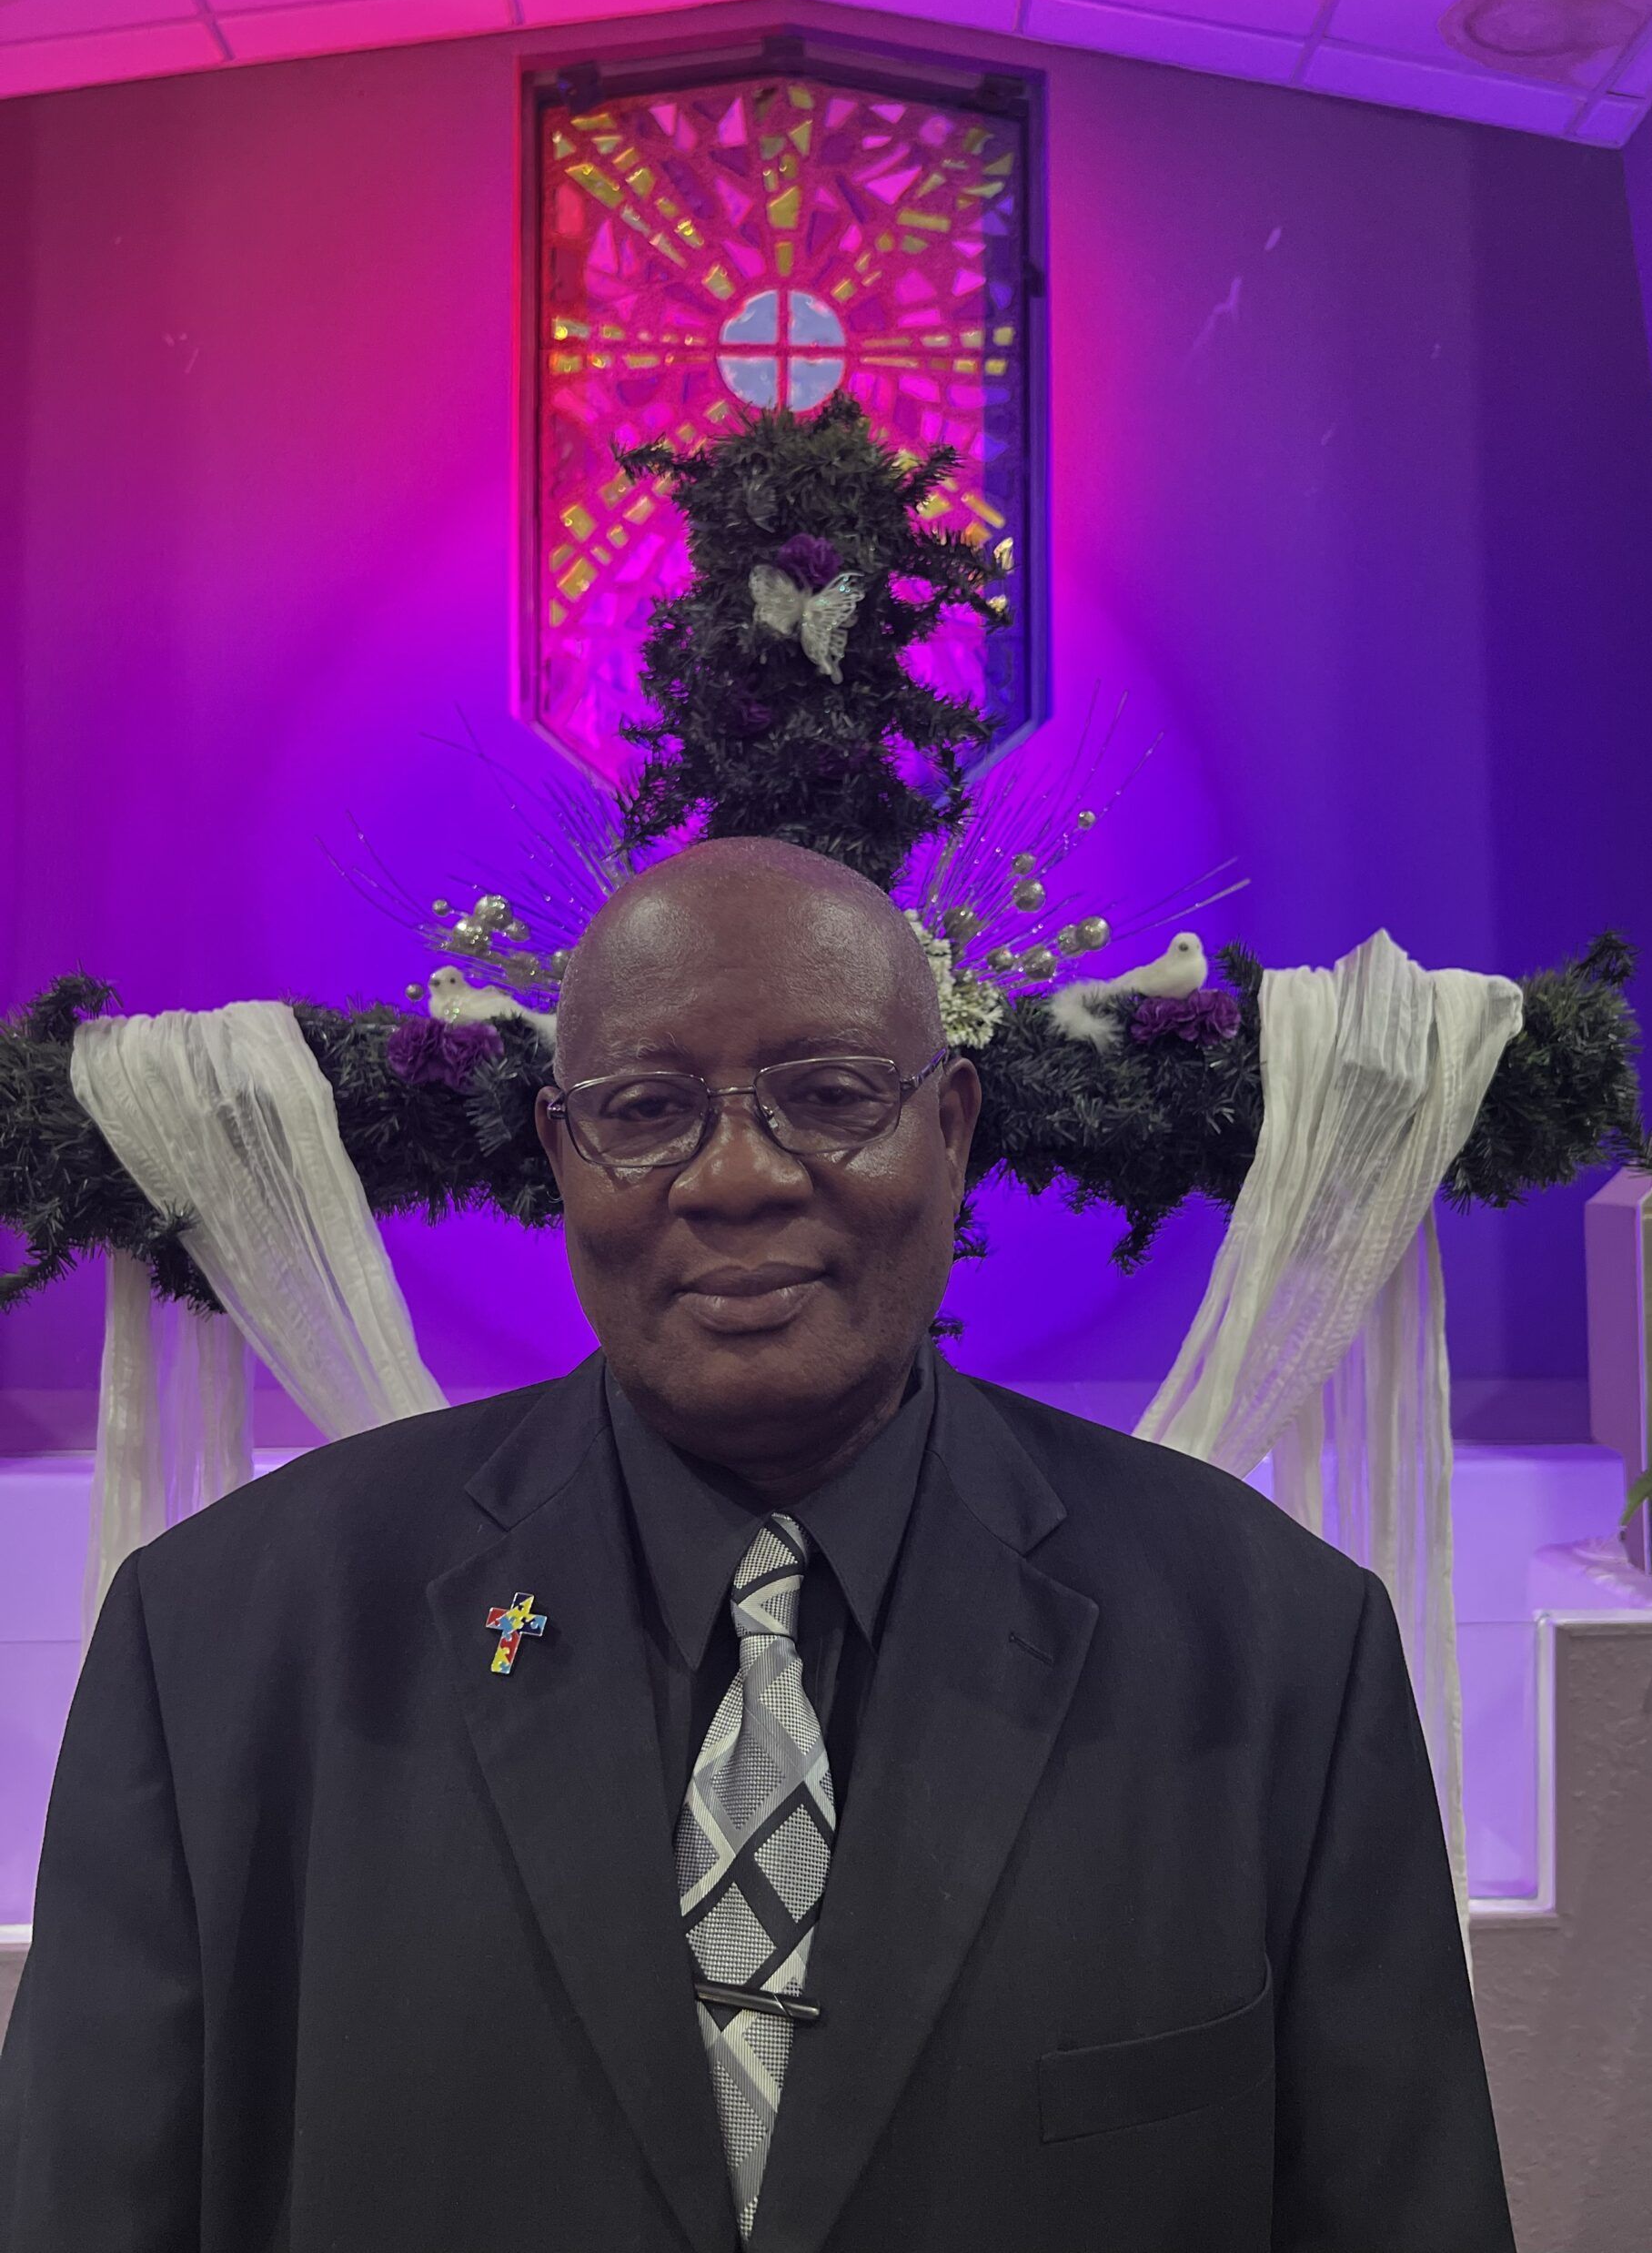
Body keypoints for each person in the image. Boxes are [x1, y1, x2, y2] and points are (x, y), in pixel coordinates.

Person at [0, 837, 1516, 2251]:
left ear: (953, 1126)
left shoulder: (1275, 1654)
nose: (736, 1177)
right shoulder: (225, 1645)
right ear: (560, 1152)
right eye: (648, 1111)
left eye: (833, 1092)